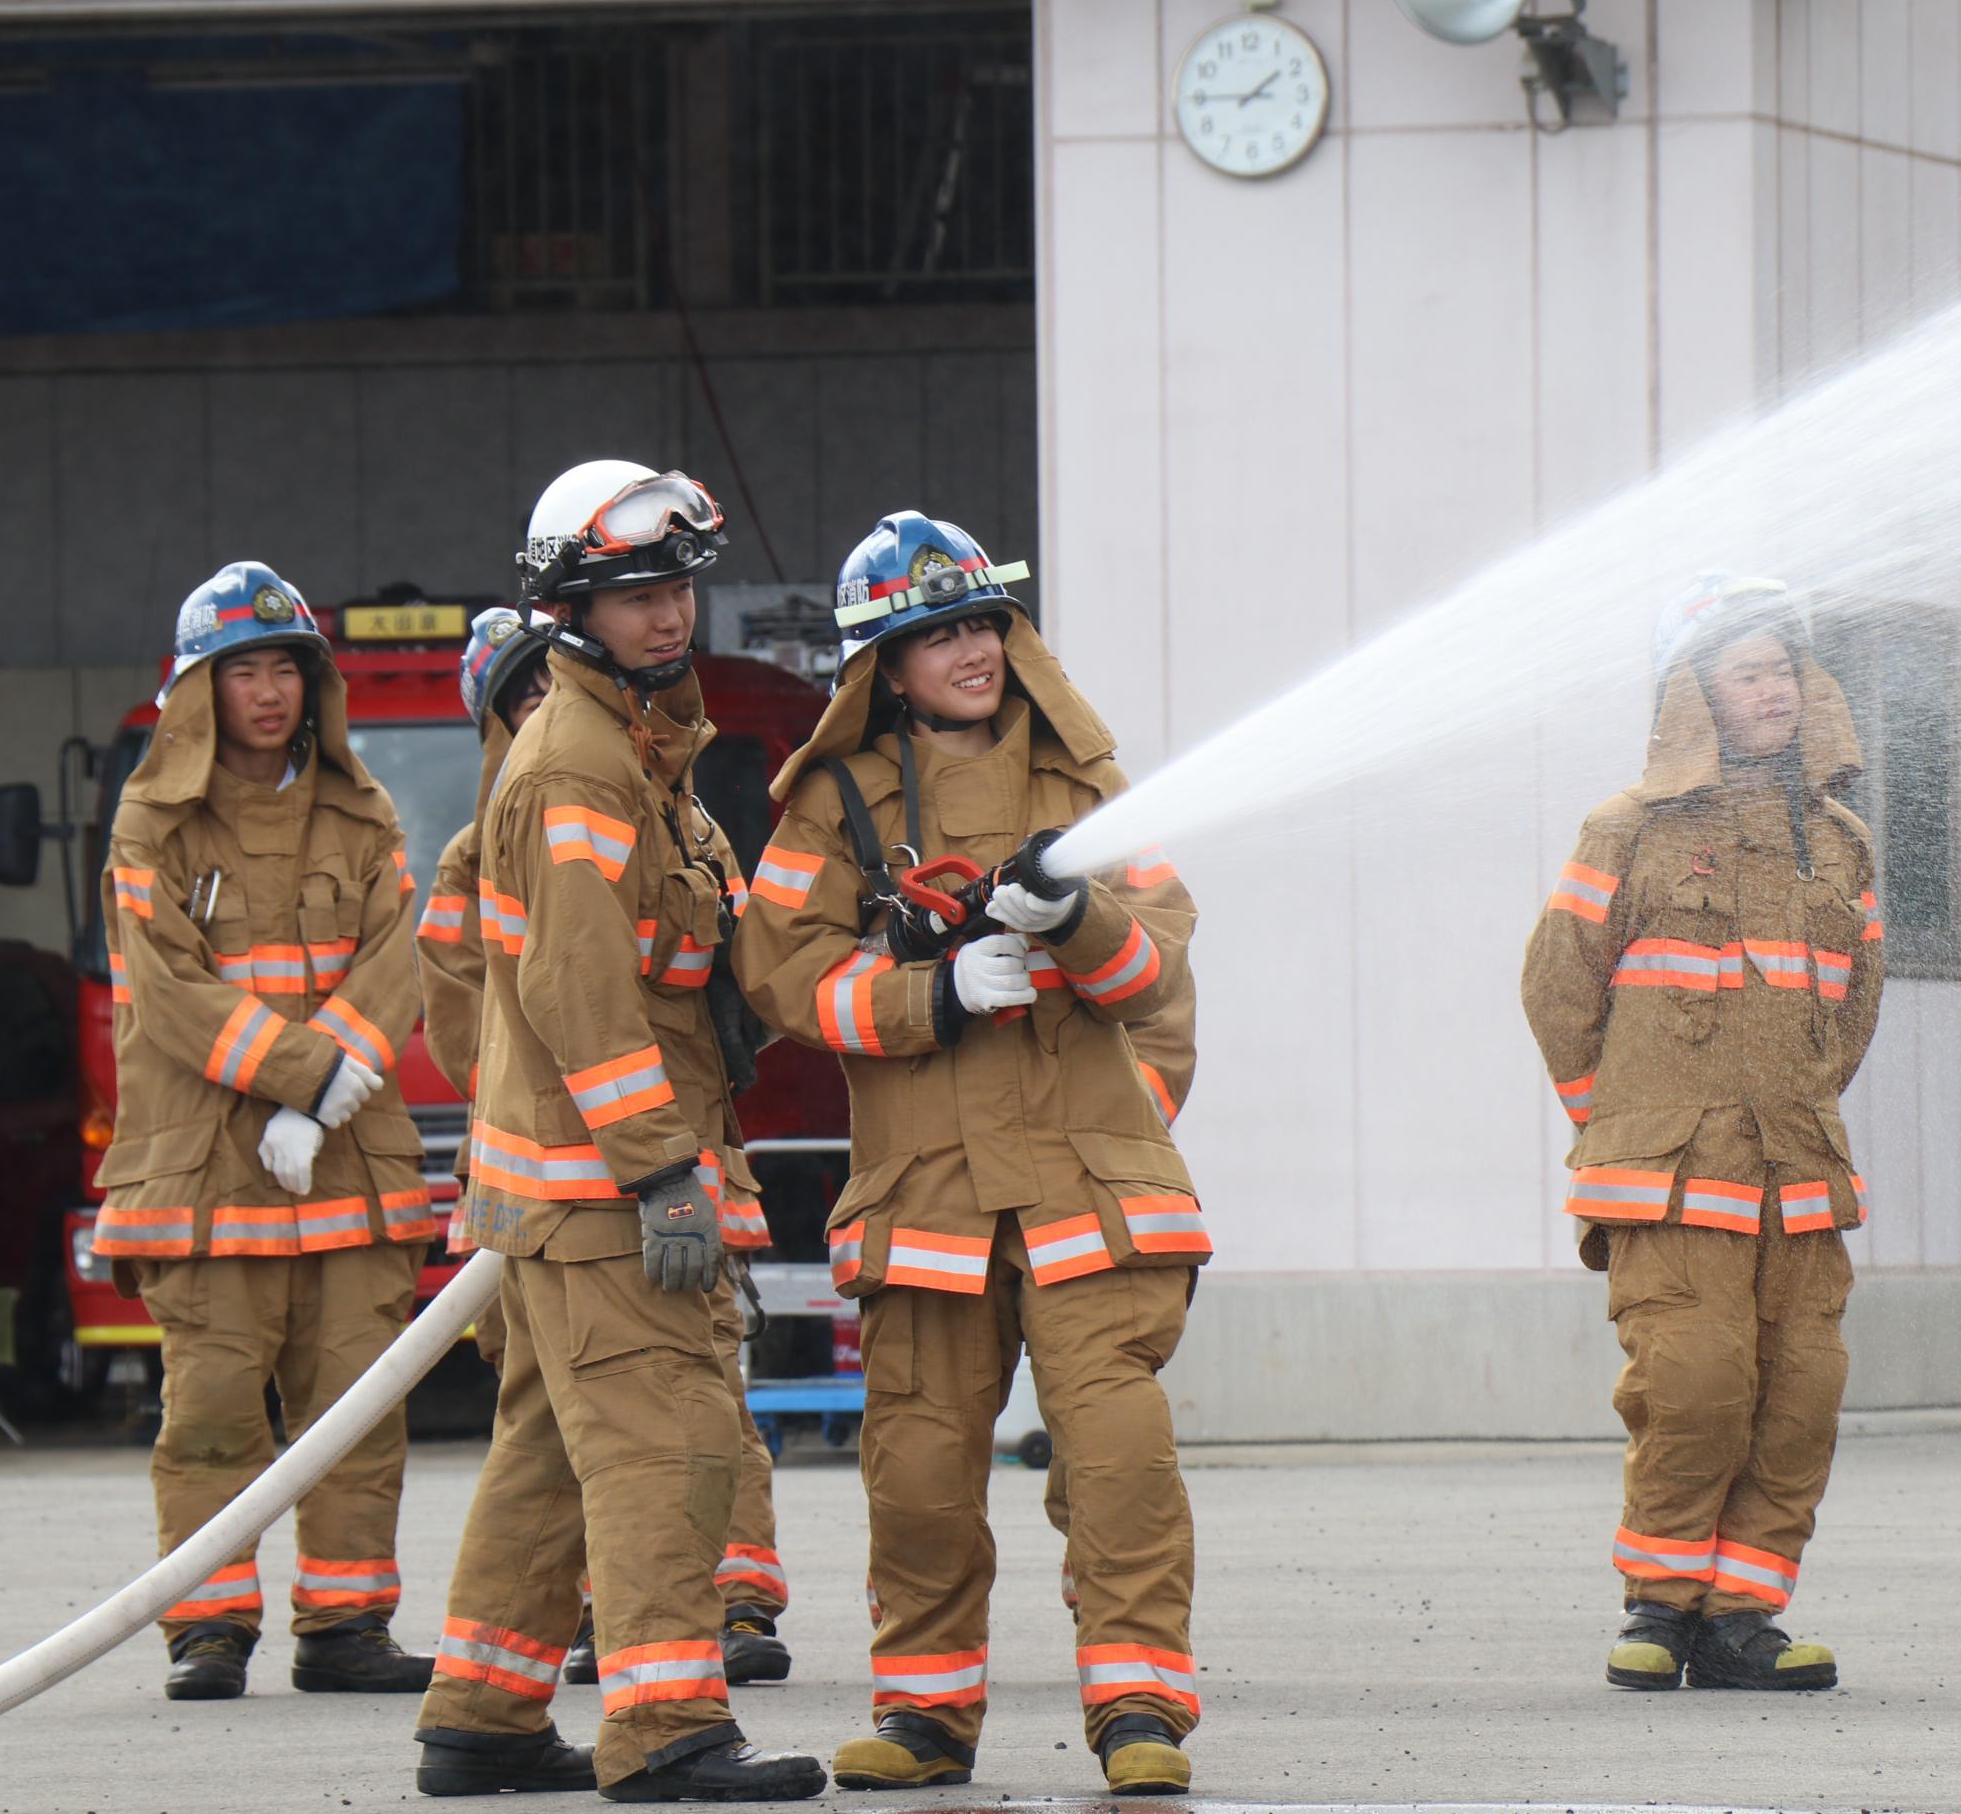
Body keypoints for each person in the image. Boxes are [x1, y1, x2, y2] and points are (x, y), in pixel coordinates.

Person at [732, 512, 1208, 1797]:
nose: (968, 649)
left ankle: (1139, 1708)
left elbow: (1155, 968)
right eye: (933, 631)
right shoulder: (834, 808)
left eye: (980, 621)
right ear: (883, 664)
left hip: (1082, 1196)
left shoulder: (1087, 791)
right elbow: (776, 973)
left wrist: (1072, 912)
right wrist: (926, 998)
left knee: (1117, 1466)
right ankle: (928, 1716)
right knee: (922, 1474)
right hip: (927, 1195)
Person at [410, 464, 821, 1803]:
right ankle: (665, 1733)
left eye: (677, 588)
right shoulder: (579, 762)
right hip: (604, 1197)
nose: (667, 616)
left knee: (543, 1457)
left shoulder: (641, 750)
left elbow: (706, 951)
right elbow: (577, 994)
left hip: (567, 1199)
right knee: (671, 1449)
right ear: (569, 606)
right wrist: (661, 1171)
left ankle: (482, 1714)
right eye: (636, 593)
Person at [1520, 573, 1885, 1696]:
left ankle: (1741, 1615)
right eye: (1746, 671)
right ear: (1693, 693)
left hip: (1796, 1179)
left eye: (1783, 668)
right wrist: (1619, 1122)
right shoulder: (1626, 829)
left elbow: (1852, 1005)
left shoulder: (1840, 844)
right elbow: (1555, 990)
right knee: (1693, 1384)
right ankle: (1659, 1606)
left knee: (1798, 1394)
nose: (1772, 688)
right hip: (1670, 1184)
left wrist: (1798, 1105)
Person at [92, 561, 444, 1702]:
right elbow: (171, 993)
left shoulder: (363, 811)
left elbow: (399, 958)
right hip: (207, 1176)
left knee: (355, 1412)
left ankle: (346, 1626)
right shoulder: (153, 825)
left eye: (285, 666)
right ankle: (206, 1628)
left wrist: (325, 1091)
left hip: (346, 1160)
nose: (268, 690)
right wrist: (307, 1073)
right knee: (209, 1416)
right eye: (242, 668)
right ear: (200, 689)